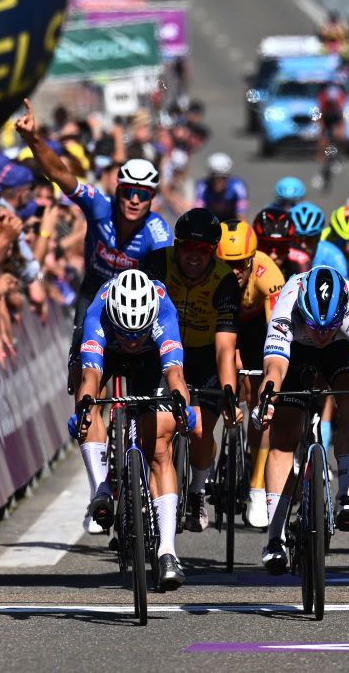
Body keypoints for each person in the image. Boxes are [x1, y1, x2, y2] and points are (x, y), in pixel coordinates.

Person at [15, 98, 171, 394]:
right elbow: (61, 175)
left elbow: (164, 287)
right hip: (94, 294)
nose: (135, 200)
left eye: (143, 195)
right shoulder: (98, 205)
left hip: (136, 302)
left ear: (152, 199)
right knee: (82, 368)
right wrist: (32, 139)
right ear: (118, 191)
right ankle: (89, 422)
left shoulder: (157, 230)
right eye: (130, 192)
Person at [71, 269, 195, 591]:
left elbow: (175, 375)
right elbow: (89, 378)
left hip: (150, 359)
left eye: (137, 333)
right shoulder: (98, 312)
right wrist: (84, 409)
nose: (131, 340)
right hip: (104, 351)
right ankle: (100, 490)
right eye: (125, 333)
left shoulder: (163, 309)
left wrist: (182, 407)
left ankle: (168, 552)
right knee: (87, 404)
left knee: (159, 449)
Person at [254, 266, 349, 573]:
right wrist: (267, 401)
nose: (321, 335)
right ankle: (274, 539)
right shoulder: (288, 304)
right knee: (284, 433)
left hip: (340, 352)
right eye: (315, 327)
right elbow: (274, 370)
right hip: (295, 353)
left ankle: (345, 497)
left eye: (329, 327)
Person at [143, 208, 240, 531]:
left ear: (213, 251)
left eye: (203, 250)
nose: (194, 256)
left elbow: (226, 346)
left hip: (202, 356)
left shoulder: (224, 280)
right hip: (159, 352)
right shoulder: (157, 264)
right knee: (159, 431)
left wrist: (229, 391)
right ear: (176, 244)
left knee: (200, 431)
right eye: (187, 246)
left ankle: (197, 489)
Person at [215, 219, 285, 529]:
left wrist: (263, 372)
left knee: (262, 401)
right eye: (225, 264)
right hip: (221, 325)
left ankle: (257, 487)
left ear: (252, 258)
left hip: (258, 332)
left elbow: (277, 335)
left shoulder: (267, 275)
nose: (234, 272)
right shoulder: (212, 275)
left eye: (240, 264)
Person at [290, 202, 348, 276]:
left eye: (309, 240)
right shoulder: (282, 253)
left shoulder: (335, 256)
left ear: (318, 238)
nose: (303, 245)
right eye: (297, 239)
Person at [253, 206, 308, 278]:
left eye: (281, 247)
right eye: (266, 246)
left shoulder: (301, 263)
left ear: (289, 247)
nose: (273, 256)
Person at [194, 153, 248, 221]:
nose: (218, 181)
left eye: (223, 177)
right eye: (214, 177)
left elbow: (241, 216)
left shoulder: (238, 186)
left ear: (228, 177)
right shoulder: (202, 187)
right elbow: (198, 215)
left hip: (231, 220)